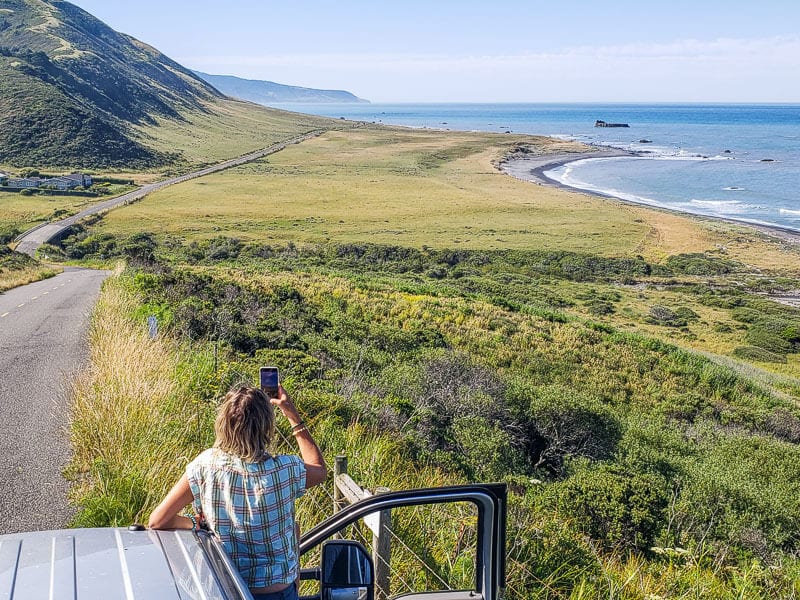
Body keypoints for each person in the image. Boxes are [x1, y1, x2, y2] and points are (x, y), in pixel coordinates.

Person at [149, 384, 327, 600]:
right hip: (278, 593)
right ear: (266, 427)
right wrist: (291, 413)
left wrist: (196, 523)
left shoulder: (205, 466)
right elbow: (319, 470)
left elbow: (158, 521)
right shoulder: (286, 469)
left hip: (226, 590)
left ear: (223, 424)